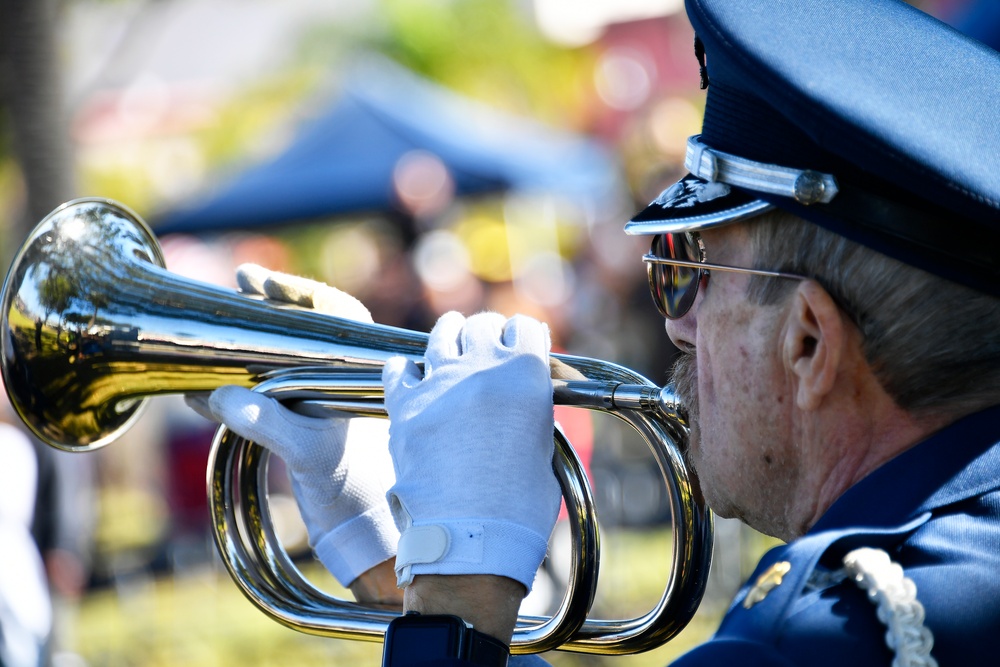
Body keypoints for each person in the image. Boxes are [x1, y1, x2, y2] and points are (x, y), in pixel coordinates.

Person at [195, 0, 1000, 664]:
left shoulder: (815, 634)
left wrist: (459, 577)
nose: (675, 321)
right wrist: (395, 551)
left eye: (690, 271)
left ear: (809, 342)